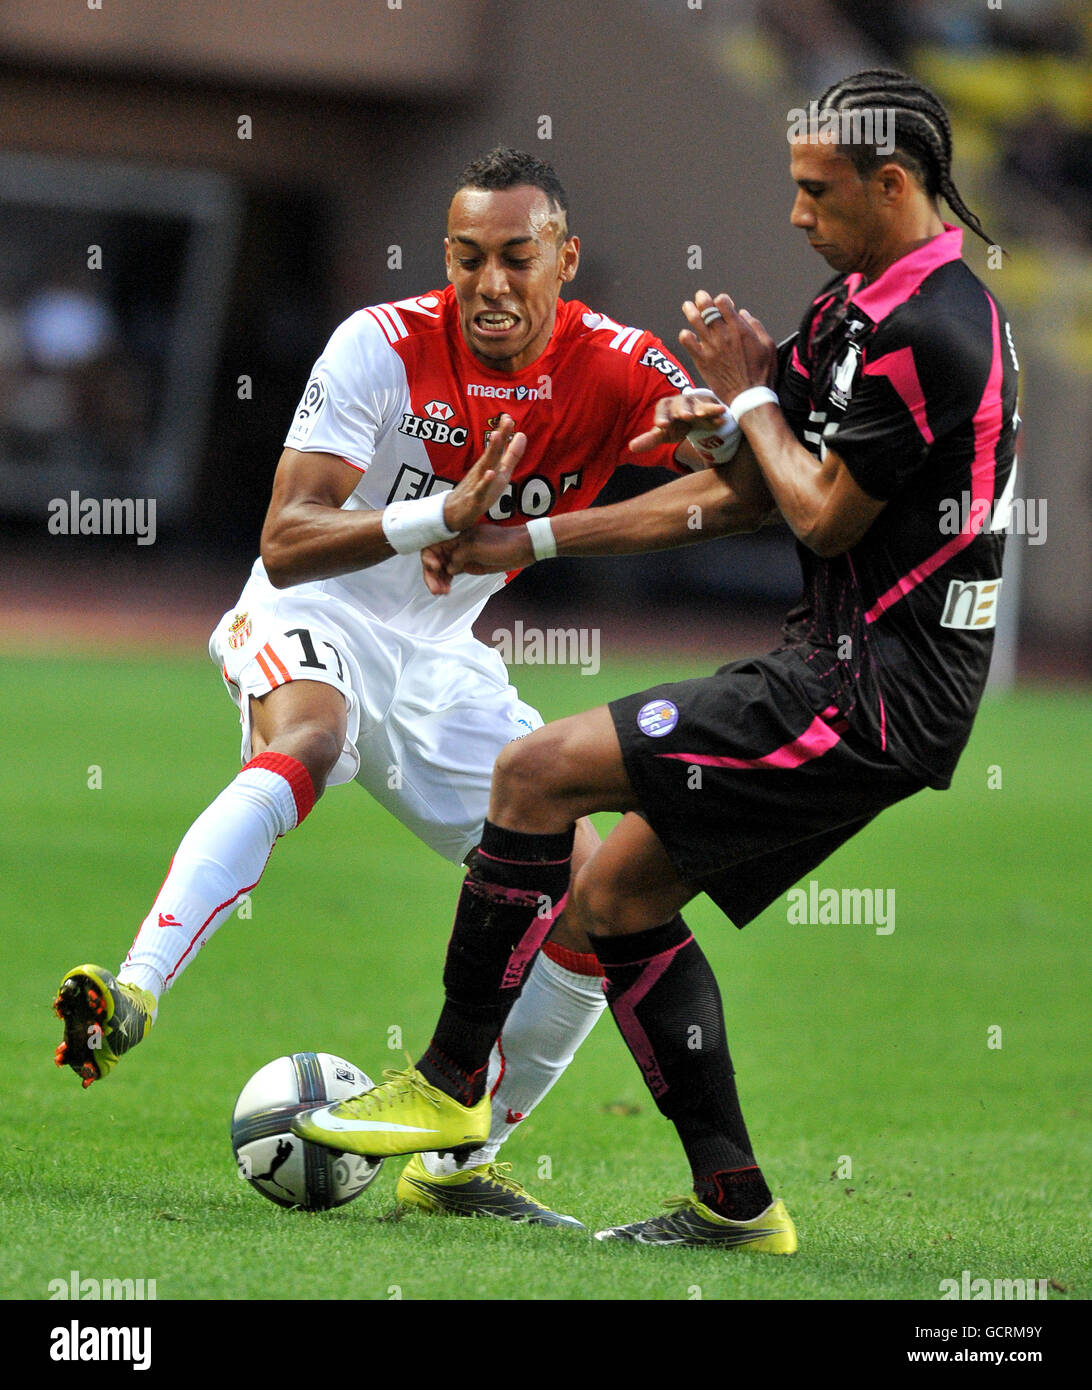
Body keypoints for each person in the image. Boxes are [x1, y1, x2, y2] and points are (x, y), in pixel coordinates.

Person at [293, 71, 1020, 1251]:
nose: (792, 214)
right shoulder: (854, 309)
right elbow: (746, 494)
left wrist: (754, 407)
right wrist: (721, 425)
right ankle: (735, 1205)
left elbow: (821, 516)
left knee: (533, 774)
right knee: (616, 894)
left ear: (893, 185)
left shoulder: (934, 329)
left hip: (873, 693)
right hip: (835, 669)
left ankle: (443, 1081)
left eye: (814, 190)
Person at [52, 147, 738, 1227]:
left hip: (444, 662)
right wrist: (435, 517)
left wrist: (729, 427)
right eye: (467, 258)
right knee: (313, 737)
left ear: (564, 256)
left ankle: (458, 1167)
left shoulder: (618, 364)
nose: (491, 283)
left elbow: (730, 477)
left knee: (599, 898)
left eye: (517, 256)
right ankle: (135, 990)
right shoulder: (378, 345)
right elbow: (285, 540)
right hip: (308, 618)